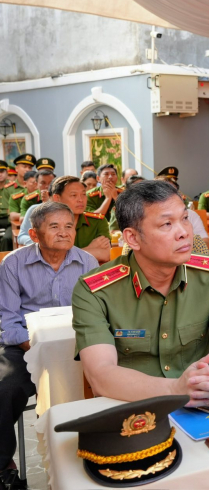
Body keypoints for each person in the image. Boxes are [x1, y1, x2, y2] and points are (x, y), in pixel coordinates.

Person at [72, 180, 209, 405]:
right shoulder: (94, 290)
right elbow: (101, 375)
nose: (184, 232)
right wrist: (176, 389)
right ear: (132, 238)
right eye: (166, 224)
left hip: (198, 404)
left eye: (185, 218)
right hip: (129, 407)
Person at [0, 202, 98, 489]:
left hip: (76, 344)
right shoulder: (13, 264)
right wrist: (35, 346)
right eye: (54, 226)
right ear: (35, 233)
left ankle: (95, 451)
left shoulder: (87, 262)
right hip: (25, 346)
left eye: (69, 226)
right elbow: (8, 319)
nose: (64, 232)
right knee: (5, 388)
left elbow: (95, 312)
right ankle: (4, 463)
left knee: (105, 379)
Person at [17, 176, 112, 263]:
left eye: (83, 194)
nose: (80, 200)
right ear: (57, 198)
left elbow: (104, 255)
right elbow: (50, 258)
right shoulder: (45, 221)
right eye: (74, 195)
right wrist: (89, 249)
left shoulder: (97, 221)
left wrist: (63, 255)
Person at [1, 154, 36, 250]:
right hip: (13, 223)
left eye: (30, 167)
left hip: (32, 223)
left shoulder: (37, 187)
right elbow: (10, 212)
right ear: (16, 168)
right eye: (24, 167)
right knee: (8, 238)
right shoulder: (9, 188)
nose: (27, 169)